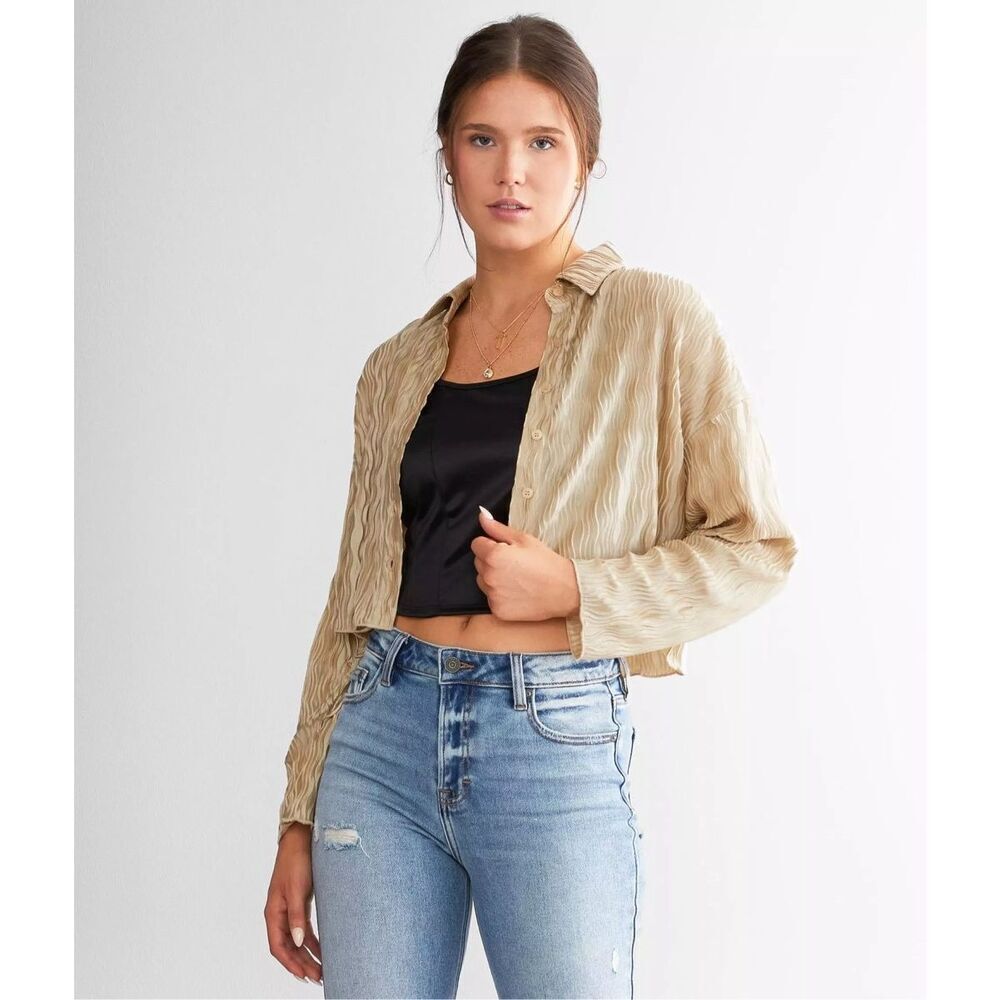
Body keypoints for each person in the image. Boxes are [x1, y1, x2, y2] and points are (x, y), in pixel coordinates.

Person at [264, 14, 797, 999]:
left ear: (585, 156)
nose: (512, 170)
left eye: (543, 141)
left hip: (548, 737)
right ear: (448, 156)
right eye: (483, 139)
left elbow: (756, 546)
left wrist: (577, 589)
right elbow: (351, 598)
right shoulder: (396, 365)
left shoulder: (655, 319)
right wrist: (298, 811)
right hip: (378, 737)